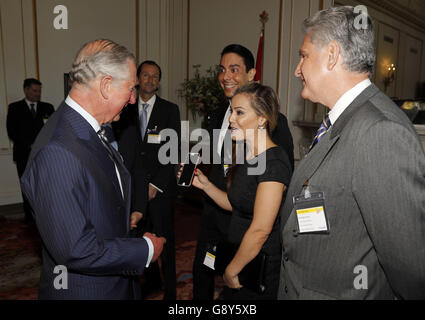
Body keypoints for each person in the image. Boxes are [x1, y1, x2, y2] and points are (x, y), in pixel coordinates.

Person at [278, 6, 425, 300]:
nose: (297, 69)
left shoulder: (380, 131)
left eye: (304, 55)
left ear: (332, 55)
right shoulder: (345, 117)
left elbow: (410, 268)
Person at [20, 39, 166, 300]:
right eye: (130, 89)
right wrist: (143, 249)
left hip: (114, 281)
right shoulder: (58, 151)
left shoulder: (86, 127)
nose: (133, 99)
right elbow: (76, 249)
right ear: (106, 86)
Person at [192, 44, 294, 300]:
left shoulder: (274, 158)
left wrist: (231, 270)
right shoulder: (249, 154)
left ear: (262, 119)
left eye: (239, 113)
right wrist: (204, 184)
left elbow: (261, 228)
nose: (231, 119)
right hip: (233, 244)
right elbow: (234, 197)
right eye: (232, 112)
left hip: (255, 263)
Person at [114, 60, 181, 300]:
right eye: (146, 75)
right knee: (138, 241)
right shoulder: (125, 108)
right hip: (132, 189)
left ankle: (171, 292)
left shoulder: (170, 110)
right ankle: (149, 282)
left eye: (155, 76)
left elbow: (172, 151)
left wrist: (154, 186)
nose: (150, 79)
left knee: (165, 240)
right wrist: (139, 188)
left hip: (160, 189)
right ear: (138, 79)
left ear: (159, 82)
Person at [6, 78, 54, 222]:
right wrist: (30, 145)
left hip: (44, 154)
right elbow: (12, 132)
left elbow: (53, 129)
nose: (37, 94)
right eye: (34, 91)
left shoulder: (48, 107)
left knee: (44, 185)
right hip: (23, 154)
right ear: (25, 90)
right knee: (27, 186)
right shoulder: (15, 107)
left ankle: (45, 215)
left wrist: (40, 145)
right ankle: (30, 217)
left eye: (39, 91)